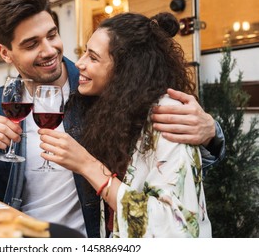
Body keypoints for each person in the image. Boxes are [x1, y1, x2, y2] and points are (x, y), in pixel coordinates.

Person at [0, 0, 224, 238]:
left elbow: (171, 168)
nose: (49, 51)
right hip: (21, 238)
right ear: (6, 52)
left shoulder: (102, 90)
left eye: (52, 35)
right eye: (31, 44)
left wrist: (211, 133)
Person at [38, 12, 212, 237]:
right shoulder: (112, 110)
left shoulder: (169, 115)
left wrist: (87, 165)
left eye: (93, 57)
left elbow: (176, 228)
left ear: (126, 70)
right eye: (84, 53)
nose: (79, 63)